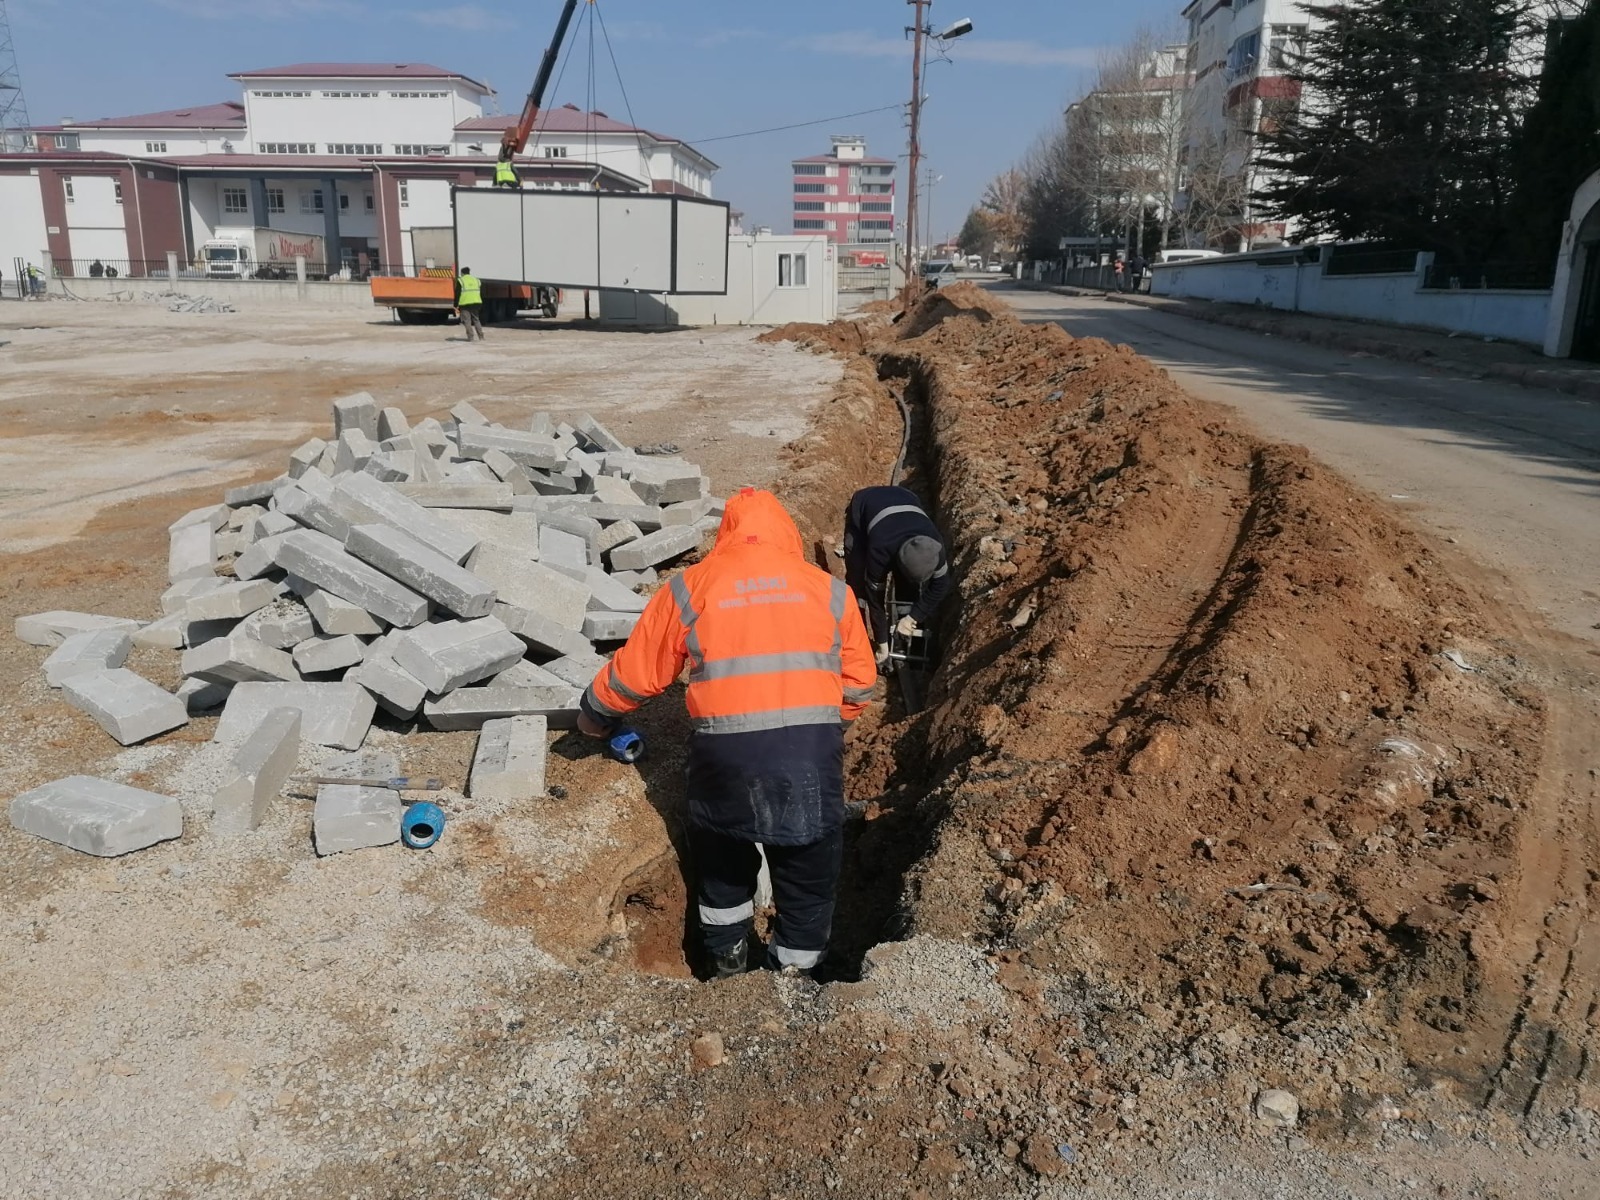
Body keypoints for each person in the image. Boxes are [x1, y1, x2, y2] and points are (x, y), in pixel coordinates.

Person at [577, 487, 877, 979]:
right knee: (807, 872)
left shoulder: (690, 586)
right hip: (809, 759)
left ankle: (726, 961)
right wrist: (825, 725)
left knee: (722, 861)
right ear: (788, 534)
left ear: (726, 535)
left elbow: (638, 671)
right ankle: (795, 976)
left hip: (726, 758)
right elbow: (861, 685)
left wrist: (594, 713)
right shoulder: (830, 590)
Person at [843, 485, 953, 665]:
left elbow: (941, 585)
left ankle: (908, 645)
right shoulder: (880, 550)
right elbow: (875, 600)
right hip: (866, 505)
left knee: (908, 588)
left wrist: (913, 617)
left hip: (906, 497)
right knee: (858, 584)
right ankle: (858, 639)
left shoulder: (935, 547)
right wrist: (882, 643)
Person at [454, 266, 485, 342]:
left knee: (467, 321)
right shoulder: (476, 280)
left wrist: (455, 304)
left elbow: (457, 293)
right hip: (476, 303)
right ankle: (481, 337)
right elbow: (481, 292)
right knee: (476, 320)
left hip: (465, 303)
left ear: (462, 273)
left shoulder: (461, 280)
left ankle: (470, 337)